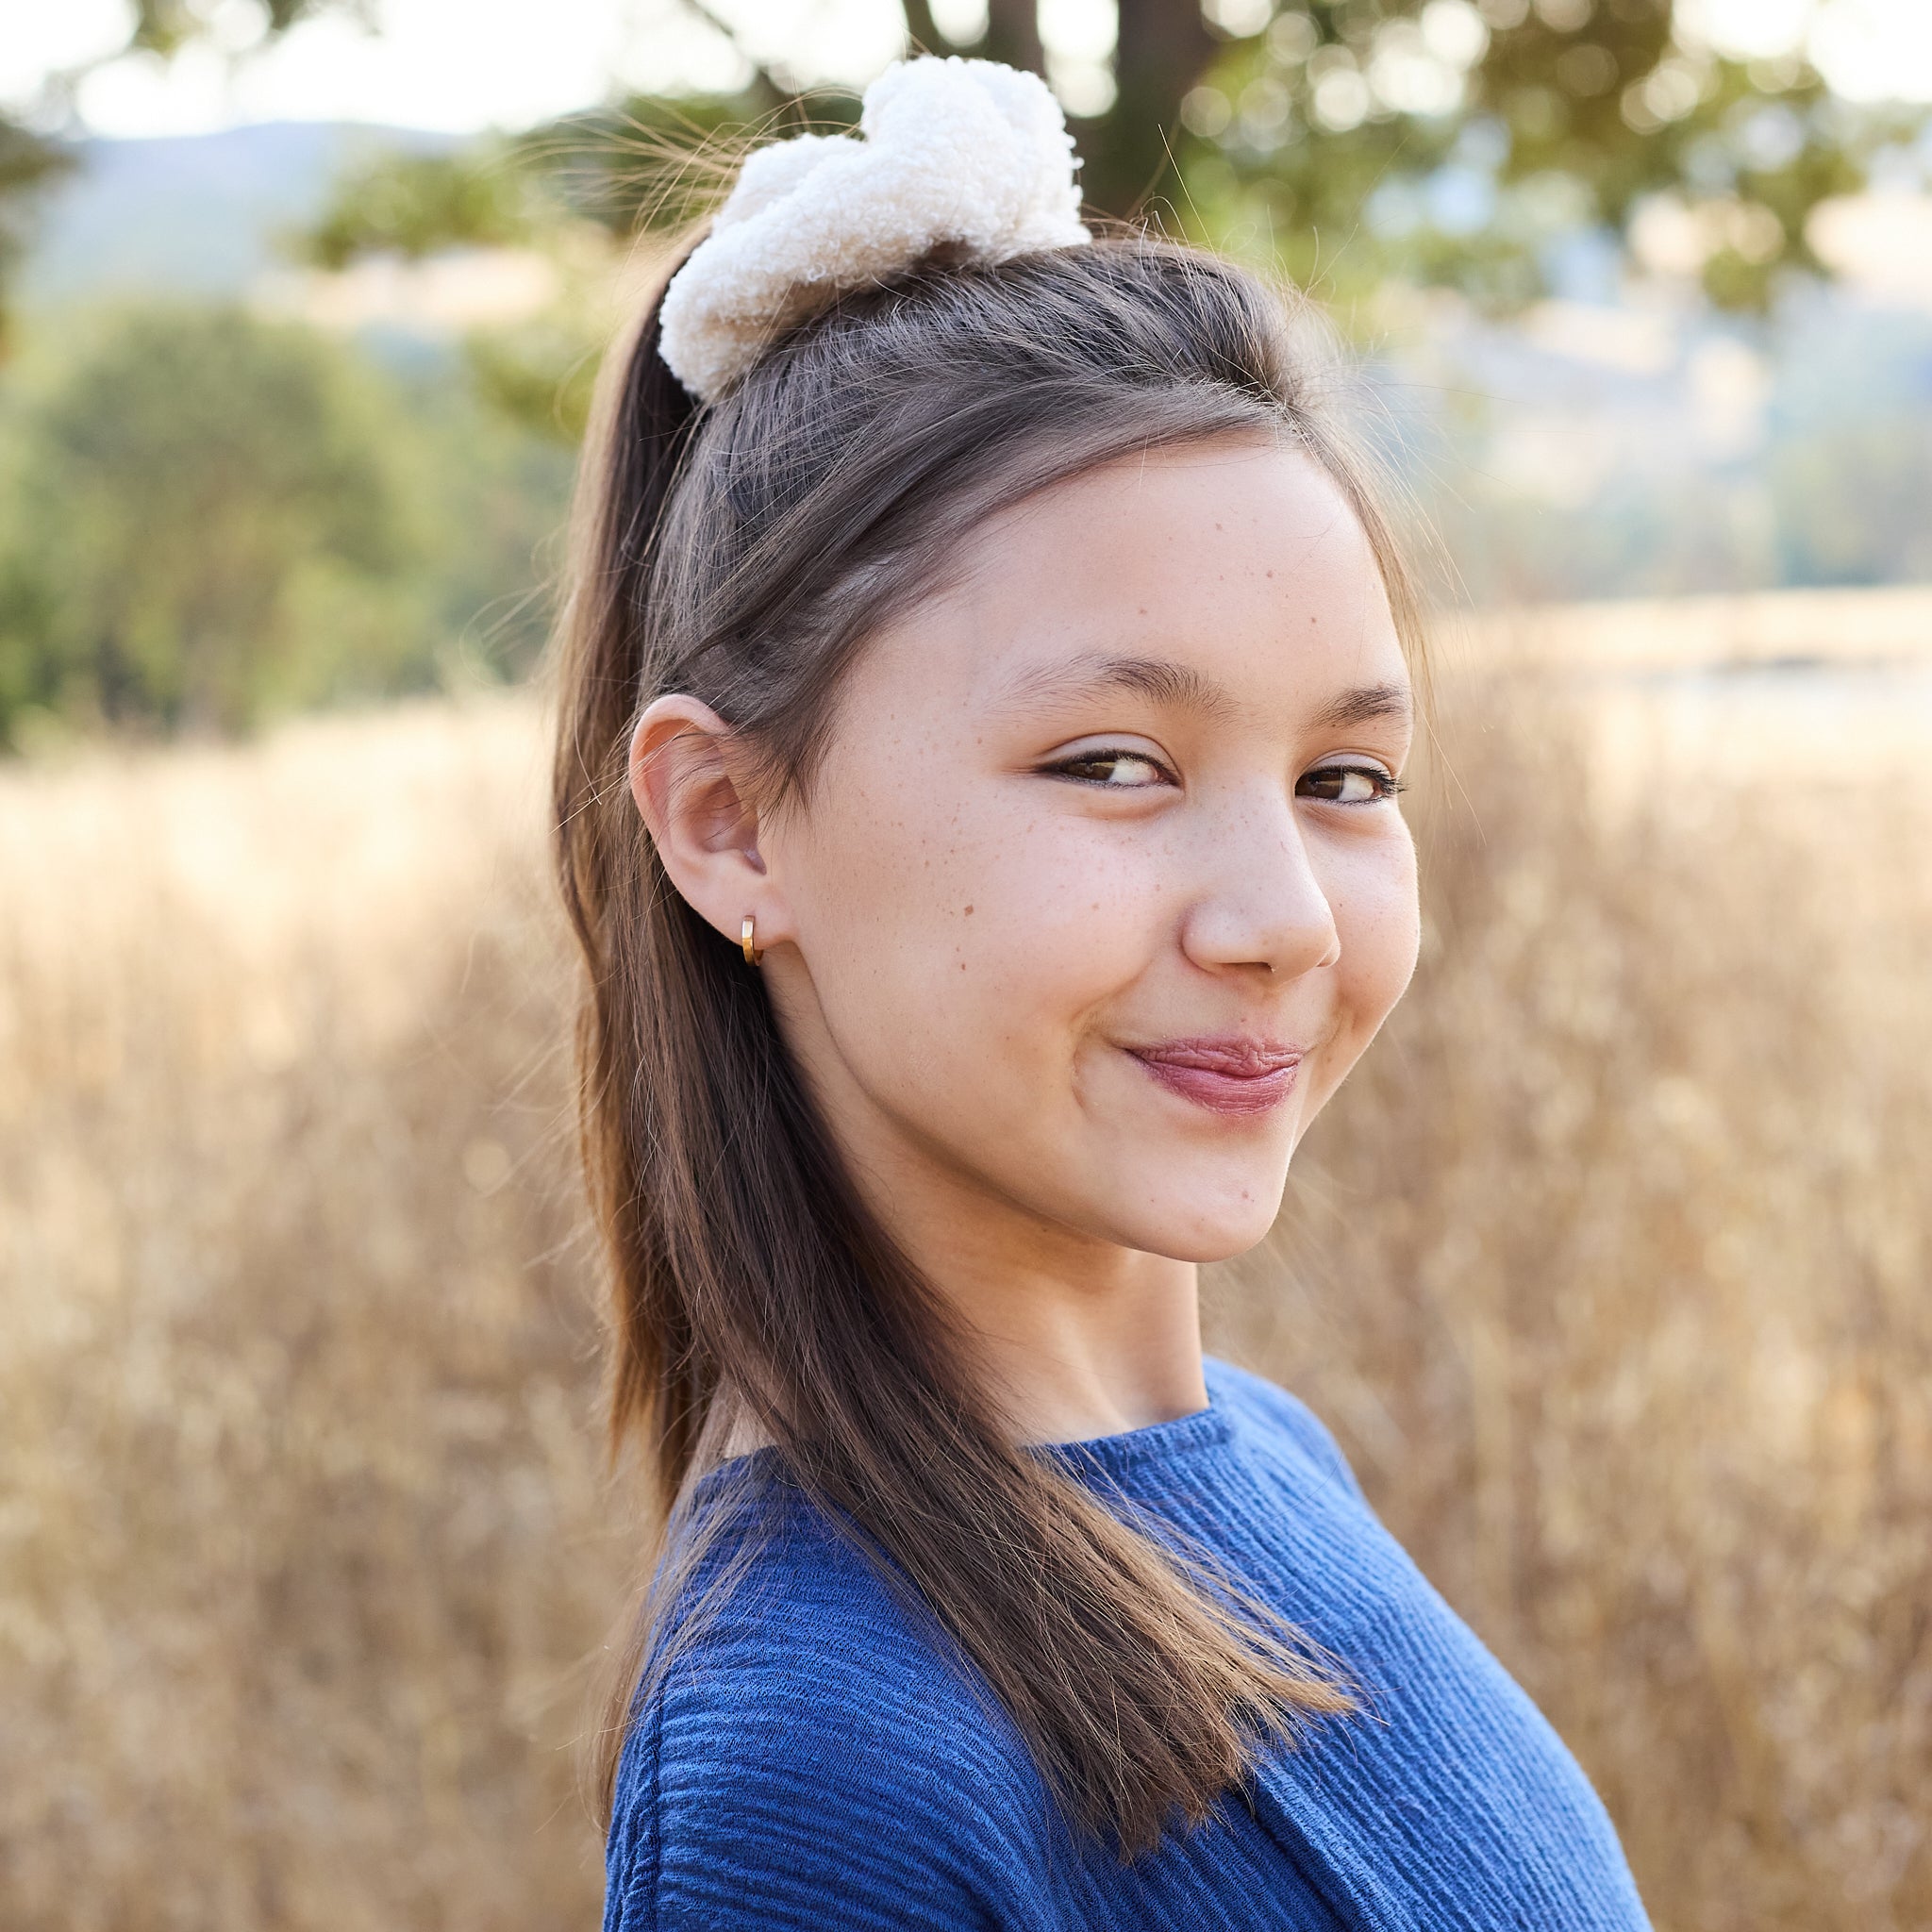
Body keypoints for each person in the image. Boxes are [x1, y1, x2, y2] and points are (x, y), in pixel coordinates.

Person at [550, 54, 1652, 1932]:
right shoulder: (821, 1767)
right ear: (730, 823)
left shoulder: (1258, 1459)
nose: (1281, 917)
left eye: (1345, 780)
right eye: (1113, 763)